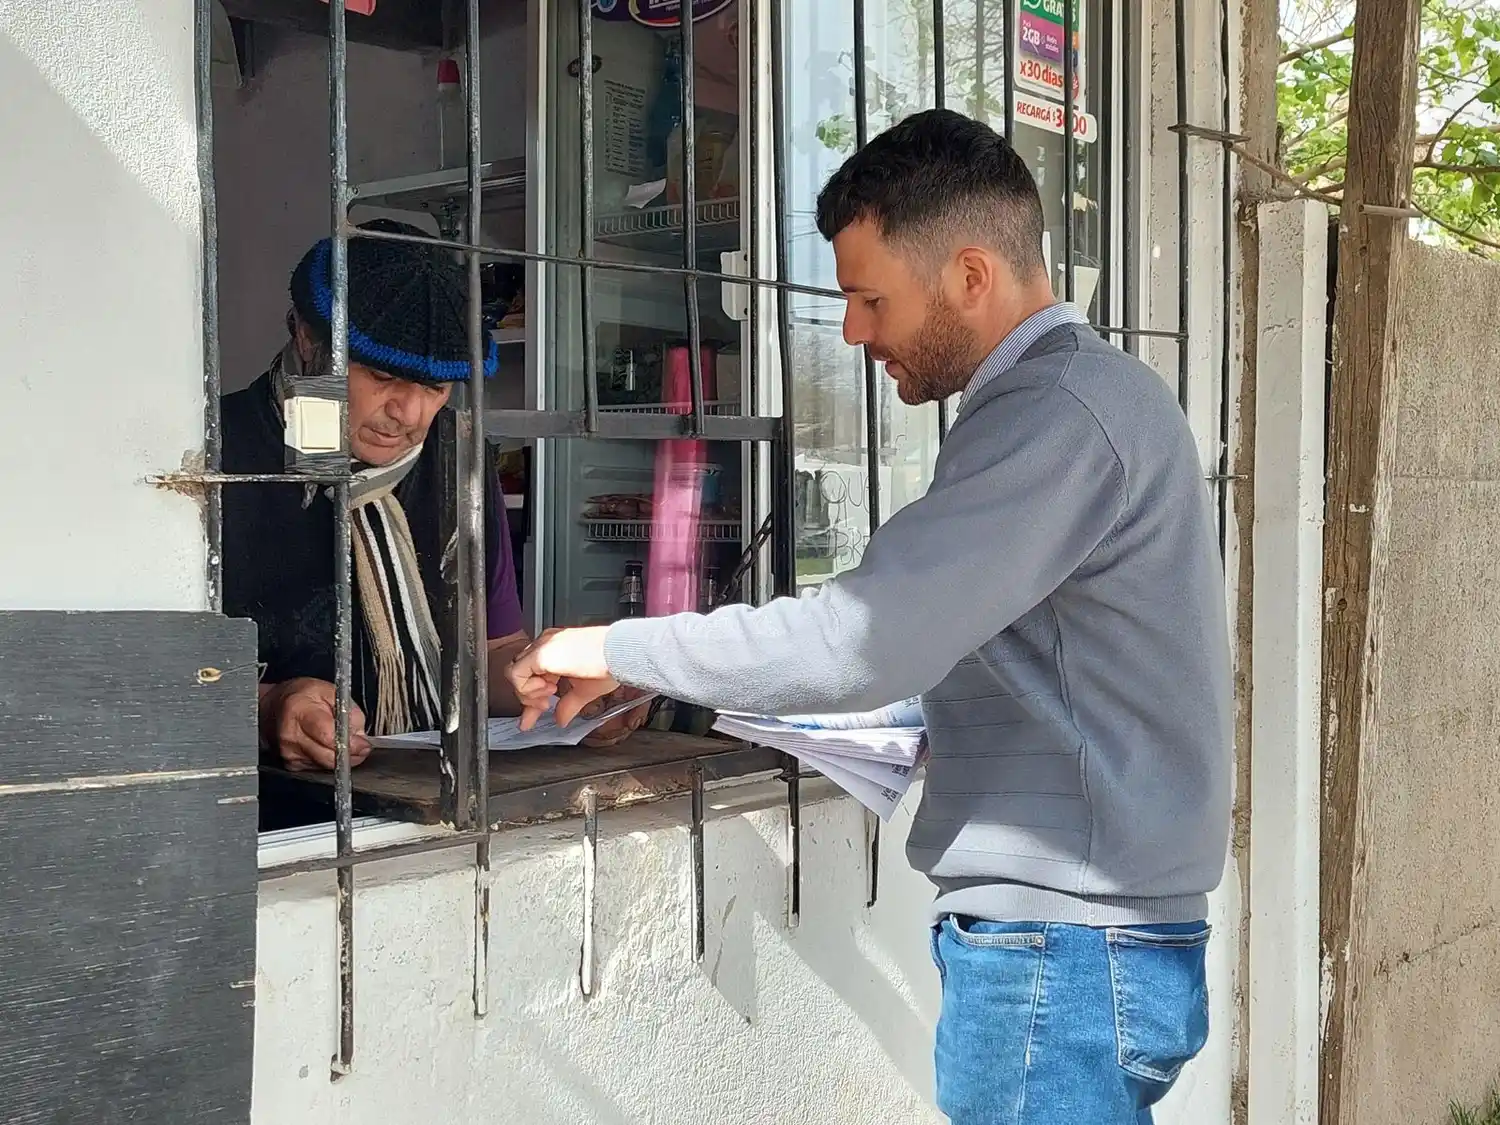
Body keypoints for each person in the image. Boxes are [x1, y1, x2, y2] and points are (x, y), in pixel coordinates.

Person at [505, 110, 1231, 1124]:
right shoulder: (1088, 401)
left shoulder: (1057, 414)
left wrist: (615, 642)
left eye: (867, 296)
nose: (853, 331)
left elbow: (861, 640)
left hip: (1063, 950)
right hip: (1087, 940)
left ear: (970, 276)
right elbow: (1038, 667)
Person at [223, 222, 647, 829]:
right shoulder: (212, 456)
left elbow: (490, 655)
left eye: (436, 385)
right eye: (382, 376)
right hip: (268, 832)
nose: (410, 413)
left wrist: (559, 689)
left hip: (437, 815)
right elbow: (150, 680)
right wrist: (268, 708)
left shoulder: (460, 461)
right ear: (306, 336)